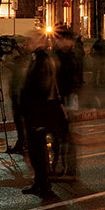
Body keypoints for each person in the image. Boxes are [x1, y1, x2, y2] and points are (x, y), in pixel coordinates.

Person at [19, 47, 64, 196]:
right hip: (36, 112)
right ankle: (40, 182)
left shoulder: (41, 62)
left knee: (38, 150)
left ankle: (43, 184)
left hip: (38, 113)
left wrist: (32, 108)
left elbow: (41, 88)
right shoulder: (40, 60)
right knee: (36, 151)